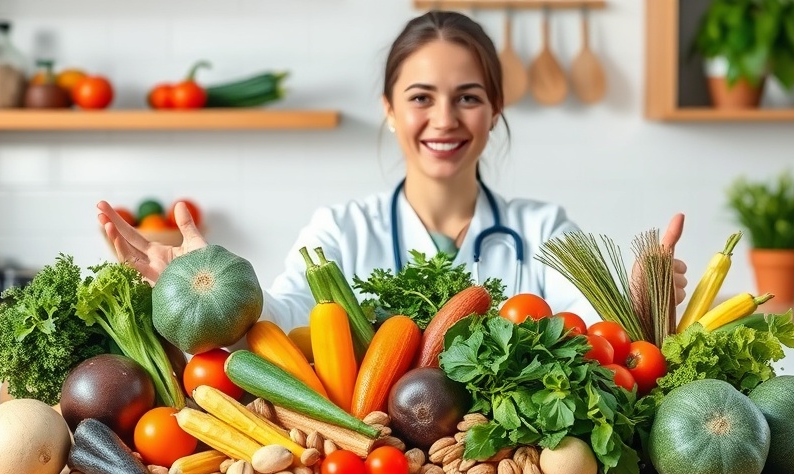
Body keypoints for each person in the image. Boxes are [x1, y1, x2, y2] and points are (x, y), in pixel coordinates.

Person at [98, 10, 688, 332]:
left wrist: (633, 297)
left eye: (468, 97)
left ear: (494, 111)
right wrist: (210, 288)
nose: (444, 120)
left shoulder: (543, 229)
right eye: (421, 97)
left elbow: (591, 324)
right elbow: (284, 316)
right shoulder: (341, 231)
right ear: (388, 110)